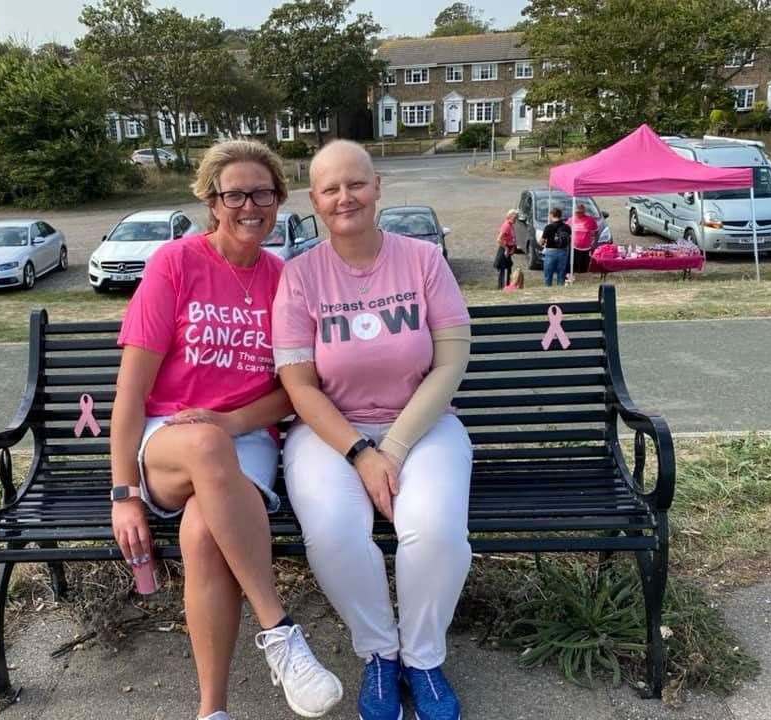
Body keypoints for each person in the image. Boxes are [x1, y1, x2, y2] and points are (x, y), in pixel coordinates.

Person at [110, 139, 343, 720]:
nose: (249, 205)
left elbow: (294, 391)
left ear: (278, 201)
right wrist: (124, 495)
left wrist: (230, 420)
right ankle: (280, 631)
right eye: (234, 193)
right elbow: (131, 391)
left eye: (262, 193)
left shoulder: (281, 278)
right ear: (212, 202)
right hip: (169, 441)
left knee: (204, 536)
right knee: (207, 444)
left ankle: (211, 711)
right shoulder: (176, 264)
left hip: (245, 441)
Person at [272, 140, 474, 720]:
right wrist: (361, 452)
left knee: (434, 531)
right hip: (329, 434)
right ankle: (380, 654)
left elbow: (450, 361)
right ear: (315, 200)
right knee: (333, 533)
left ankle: (424, 658)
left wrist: (396, 445)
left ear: (377, 186)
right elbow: (300, 385)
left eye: (355, 183)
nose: (344, 197)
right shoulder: (301, 276)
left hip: (423, 424)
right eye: (330, 189)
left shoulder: (422, 260)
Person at [539, 207, 570, 286]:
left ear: (552, 215)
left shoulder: (548, 227)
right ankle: (560, 288)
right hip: (563, 251)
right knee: (561, 273)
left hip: (551, 251)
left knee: (548, 273)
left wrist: (542, 242)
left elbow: (541, 242)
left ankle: (548, 288)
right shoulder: (567, 227)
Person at [567, 203, 598, 273]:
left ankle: (584, 279)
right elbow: (566, 230)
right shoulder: (571, 220)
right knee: (574, 265)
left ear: (584, 212)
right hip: (574, 247)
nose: (579, 214)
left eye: (581, 212)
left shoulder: (590, 220)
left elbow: (596, 231)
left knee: (584, 266)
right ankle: (575, 278)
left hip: (586, 248)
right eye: (577, 212)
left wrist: (594, 241)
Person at [493, 208, 518, 289]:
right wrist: (506, 248)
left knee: (508, 269)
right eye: (515, 218)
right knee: (504, 270)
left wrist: (513, 247)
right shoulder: (506, 225)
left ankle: (507, 286)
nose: (516, 219)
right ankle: (503, 287)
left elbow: (512, 238)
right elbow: (499, 239)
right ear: (510, 217)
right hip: (504, 251)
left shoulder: (511, 225)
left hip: (509, 250)